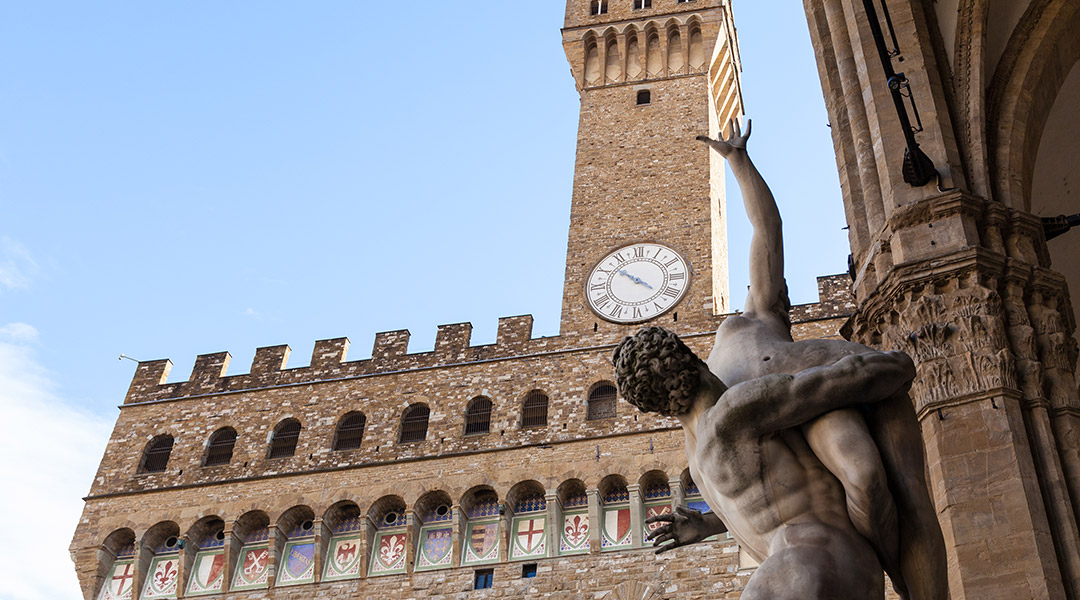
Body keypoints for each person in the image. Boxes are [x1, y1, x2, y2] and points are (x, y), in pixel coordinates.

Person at [640, 120, 945, 600]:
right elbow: (763, 487)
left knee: (876, 480)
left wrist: (738, 163)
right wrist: (709, 523)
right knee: (876, 482)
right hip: (822, 391)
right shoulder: (741, 337)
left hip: (825, 384)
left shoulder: (732, 356)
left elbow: (767, 232)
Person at [614, 326, 915, 599]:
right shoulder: (733, 411)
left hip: (805, 566)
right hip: (819, 563)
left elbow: (769, 500)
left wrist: (706, 525)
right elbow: (843, 378)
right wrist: (900, 364)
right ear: (693, 359)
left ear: (656, 408)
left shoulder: (696, 459)